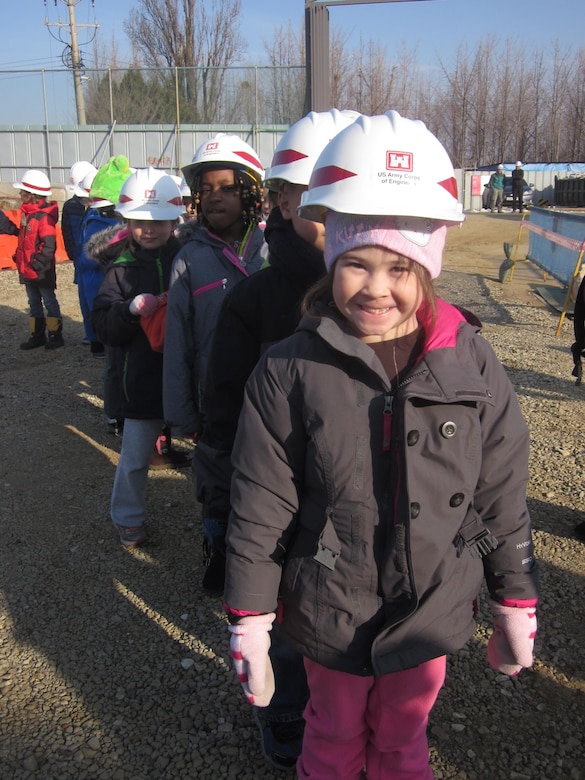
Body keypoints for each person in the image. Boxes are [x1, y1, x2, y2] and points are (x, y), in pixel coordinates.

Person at [223, 111, 539, 780]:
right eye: (356, 263)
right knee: (331, 734)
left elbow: (500, 491)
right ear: (330, 256)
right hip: (330, 608)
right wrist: (250, 616)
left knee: (402, 739)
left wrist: (515, 598)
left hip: (429, 610)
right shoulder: (288, 368)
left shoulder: (469, 361)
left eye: (400, 267)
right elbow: (260, 503)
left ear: (427, 266)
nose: (376, 287)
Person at [193, 108, 360, 770]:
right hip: (287, 522)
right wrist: (219, 506)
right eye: (320, 204)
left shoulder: (400, 303)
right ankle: (285, 716)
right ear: (283, 203)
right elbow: (222, 415)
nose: (344, 226)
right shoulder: (254, 302)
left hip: (366, 525)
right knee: (288, 634)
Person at [91, 167, 186, 548]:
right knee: (133, 456)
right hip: (143, 378)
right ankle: (127, 517)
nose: (150, 229)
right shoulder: (119, 270)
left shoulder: (190, 257)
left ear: (174, 219)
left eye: (160, 220)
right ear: (126, 222)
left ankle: (218, 517)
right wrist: (128, 310)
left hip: (186, 375)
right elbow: (103, 327)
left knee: (215, 447)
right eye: (140, 222)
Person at [163, 133, 267, 453]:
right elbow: (178, 341)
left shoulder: (272, 252)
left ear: (250, 191)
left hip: (271, 404)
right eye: (205, 189)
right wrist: (182, 415)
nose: (213, 197)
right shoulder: (189, 260)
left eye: (226, 187)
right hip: (215, 408)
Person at [0, 169, 64, 349]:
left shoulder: (44, 218)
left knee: (49, 301)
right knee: (33, 302)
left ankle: (55, 336)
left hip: (39, 270)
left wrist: (35, 263)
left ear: (32, 195)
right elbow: (24, 237)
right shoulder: (26, 214)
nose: (19, 196)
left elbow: (48, 245)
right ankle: (38, 336)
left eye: (22, 193)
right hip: (28, 267)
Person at [61, 160, 97, 345]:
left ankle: (99, 336)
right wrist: (73, 256)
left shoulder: (101, 212)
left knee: (95, 297)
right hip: (80, 260)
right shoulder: (71, 206)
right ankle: (91, 335)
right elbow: (66, 231)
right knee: (84, 298)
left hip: (94, 261)